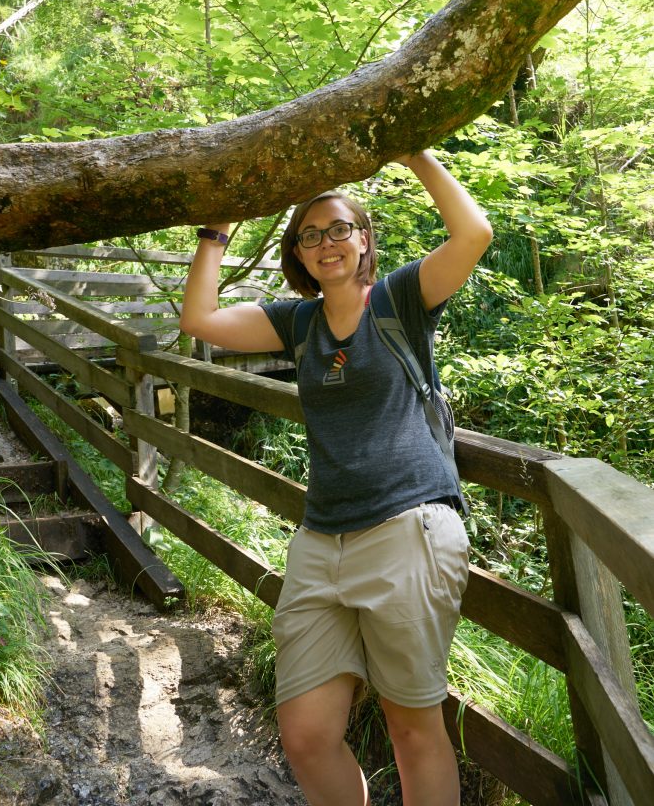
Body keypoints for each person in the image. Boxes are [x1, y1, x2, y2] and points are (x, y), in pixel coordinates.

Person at [180, 150, 493, 806]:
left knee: (411, 727)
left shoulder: (400, 298)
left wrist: (415, 154)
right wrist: (214, 234)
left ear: (363, 240)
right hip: (322, 542)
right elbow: (200, 321)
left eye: (339, 229)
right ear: (297, 252)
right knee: (305, 733)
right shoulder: (297, 323)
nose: (326, 243)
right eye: (310, 234)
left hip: (407, 527)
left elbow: (473, 234)